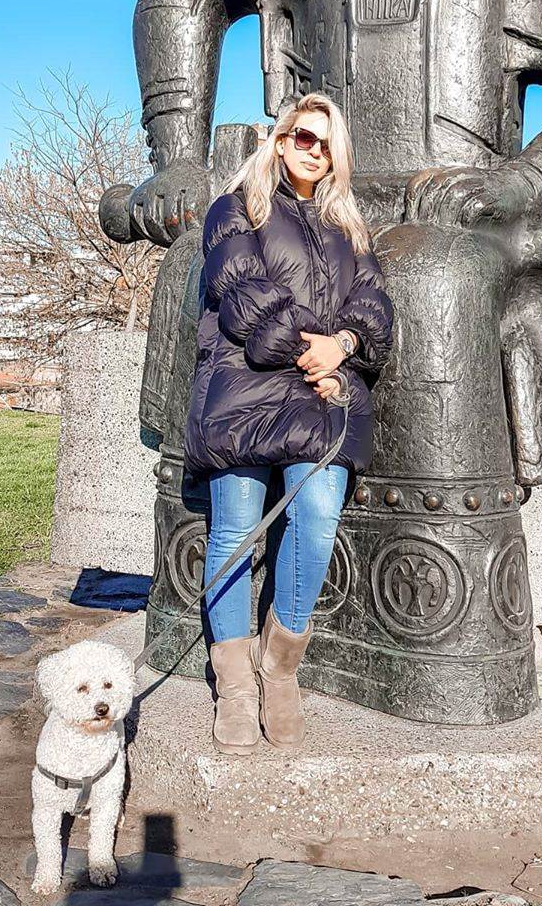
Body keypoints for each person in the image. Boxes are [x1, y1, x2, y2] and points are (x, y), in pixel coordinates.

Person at [184, 92, 394, 755]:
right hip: (246, 386)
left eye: (327, 145)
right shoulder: (237, 209)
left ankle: (278, 670)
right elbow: (243, 296)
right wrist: (316, 351)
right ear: (280, 141)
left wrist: (346, 345)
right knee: (235, 531)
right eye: (305, 137)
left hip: (322, 394)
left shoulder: (348, 227)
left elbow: (374, 305)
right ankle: (234, 684)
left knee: (318, 517)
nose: (315, 151)